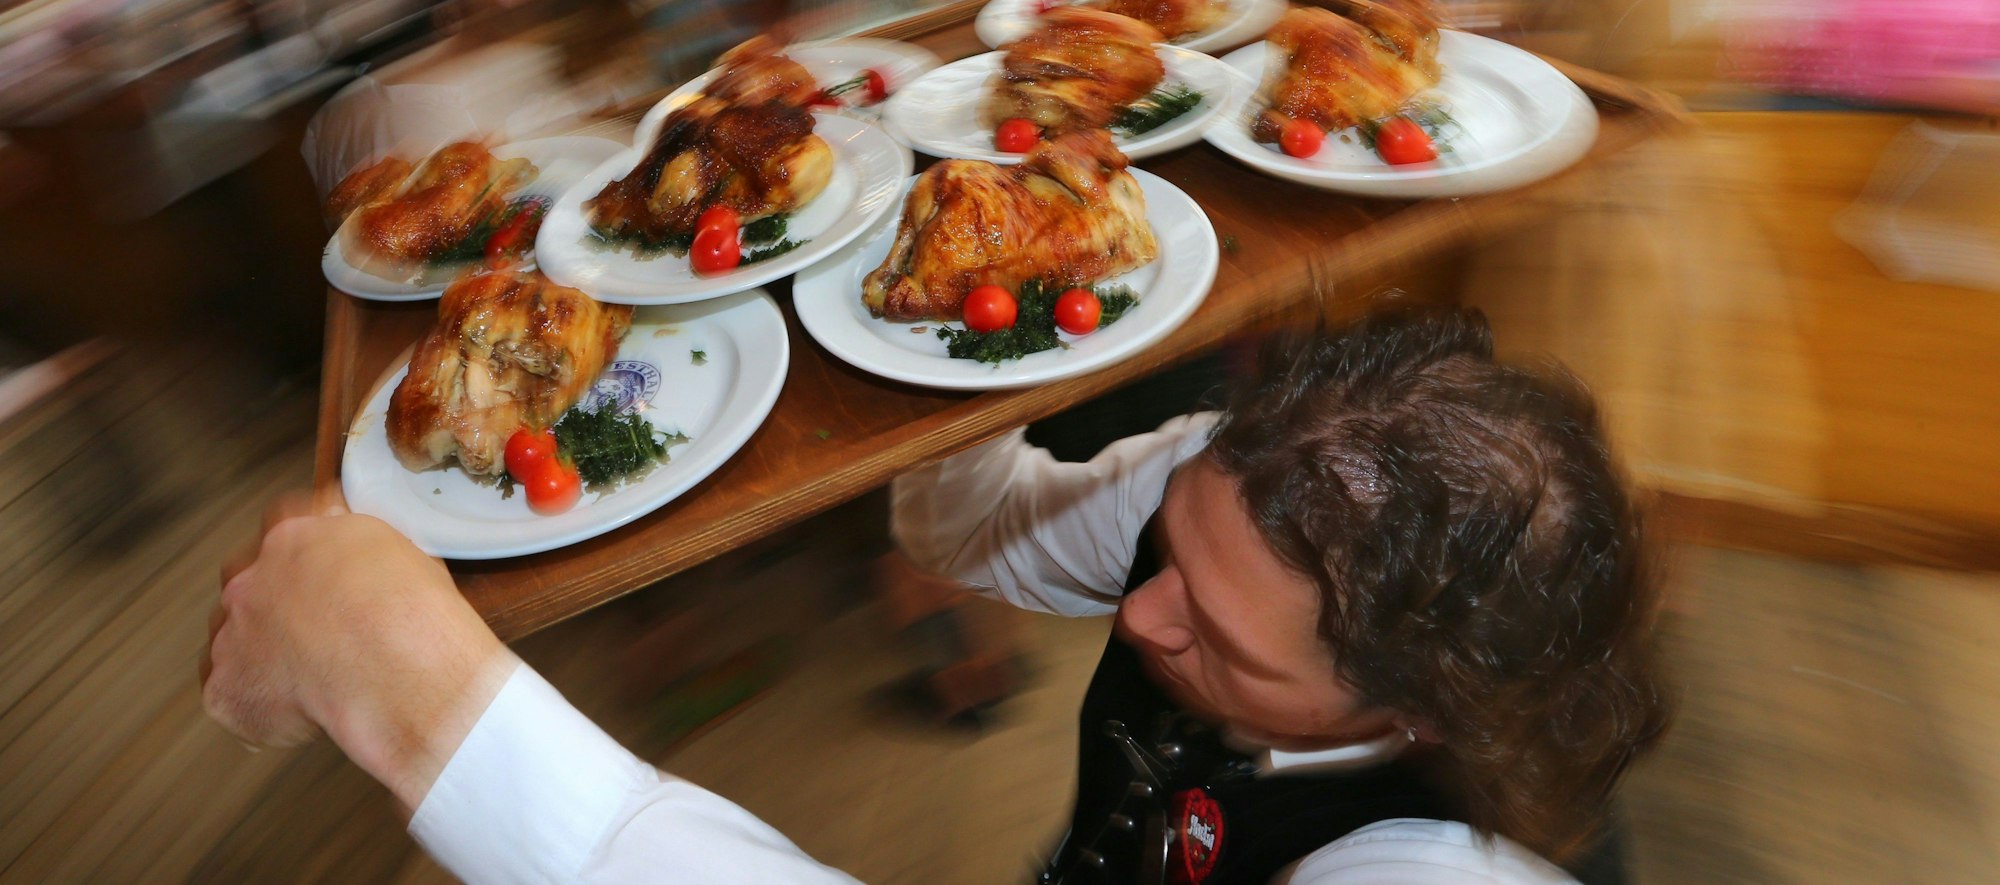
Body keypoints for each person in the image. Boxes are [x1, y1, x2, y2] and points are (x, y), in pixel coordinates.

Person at [202, 308, 1668, 882]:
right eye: (1175, 551)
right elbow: (969, 534)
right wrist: (961, 345)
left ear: (1416, 708)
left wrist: (411, 688)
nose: (1147, 614)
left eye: (1220, 641)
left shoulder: (1450, 871)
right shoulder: (1239, 491)